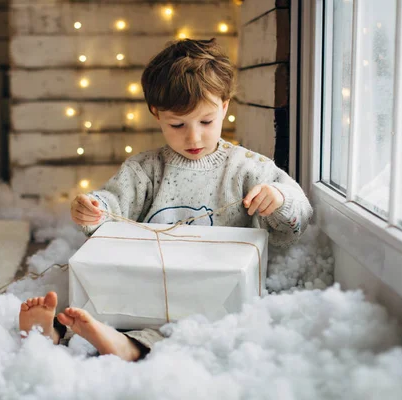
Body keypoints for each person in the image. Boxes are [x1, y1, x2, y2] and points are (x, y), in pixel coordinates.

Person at [19, 38, 313, 362]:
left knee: (195, 330)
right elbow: (114, 205)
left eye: (206, 121)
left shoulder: (247, 168)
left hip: (214, 289)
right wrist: (94, 209)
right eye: (177, 124)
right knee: (108, 301)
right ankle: (60, 330)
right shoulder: (145, 169)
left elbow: (299, 214)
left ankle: (124, 346)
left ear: (225, 106)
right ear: (156, 113)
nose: (194, 137)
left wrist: (279, 198)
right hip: (150, 284)